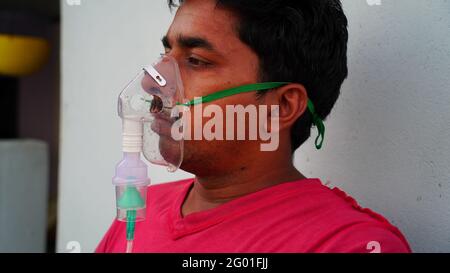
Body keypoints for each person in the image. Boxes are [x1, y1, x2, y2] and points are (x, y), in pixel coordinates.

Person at [96, 0, 411, 253]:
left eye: (196, 60)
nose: (154, 83)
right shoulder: (140, 210)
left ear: (282, 106)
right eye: (166, 55)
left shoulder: (345, 243)